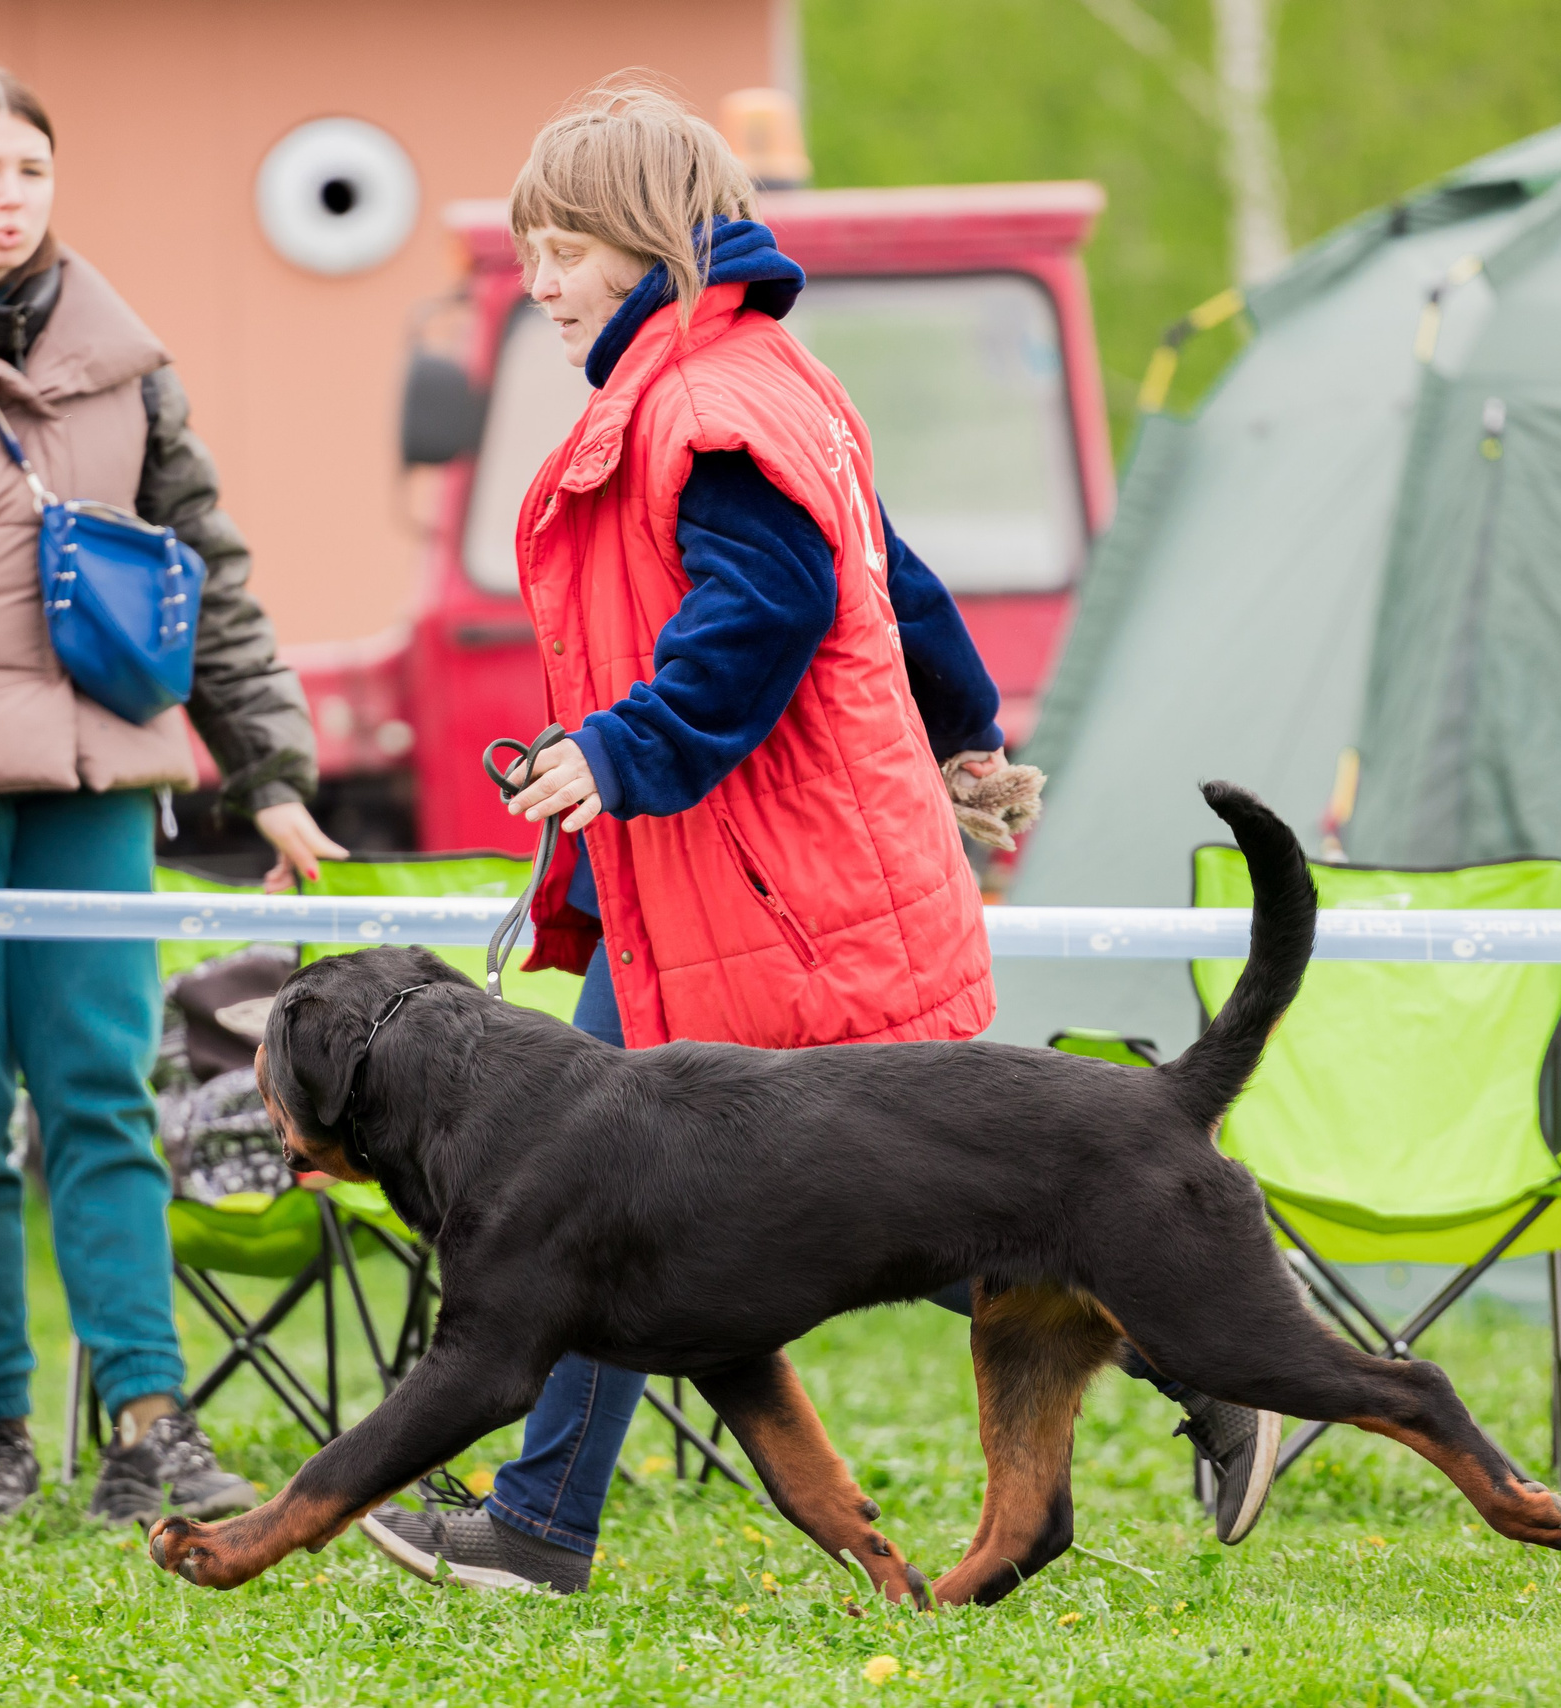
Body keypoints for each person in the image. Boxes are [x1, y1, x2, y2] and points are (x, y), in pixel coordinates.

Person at [355, 85, 1280, 1596]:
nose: (540, 283)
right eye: (530, 254)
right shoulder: (748, 376)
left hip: (766, 888)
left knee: (851, 1205)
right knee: (620, 1201)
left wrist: (626, 747)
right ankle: (539, 1522)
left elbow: (774, 602)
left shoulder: (705, 400)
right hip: (714, 877)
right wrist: (965, 724)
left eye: (562, 250)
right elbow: (887, 574)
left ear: (646, 240)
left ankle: (1207, 1336)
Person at [0, 66, 335, 1525]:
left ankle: (151, 1424)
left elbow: (209, 570)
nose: (7, 197)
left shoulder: (127, 357)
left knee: (104, 1093)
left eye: (29, 169)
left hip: (100, 767)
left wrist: (272, 775)